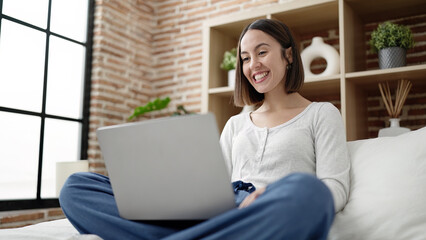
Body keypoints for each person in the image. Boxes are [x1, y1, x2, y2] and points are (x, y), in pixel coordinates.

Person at [59, 19, 350, 240]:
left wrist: (271, 193)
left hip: (268, 209)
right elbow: (213, 187)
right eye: (246, 58)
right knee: (76, 187)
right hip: (218, 215)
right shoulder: (236, 124)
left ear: (288, 56)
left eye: (262, 52)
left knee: (310, 192)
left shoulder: (321, 114)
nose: (253, 65)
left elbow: (335, 187)